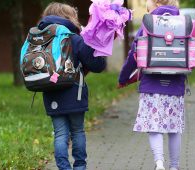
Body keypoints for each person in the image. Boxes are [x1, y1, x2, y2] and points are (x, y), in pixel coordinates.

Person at [118, 0, 185, 170]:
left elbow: (135, 52)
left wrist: (123, 77)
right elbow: (193, 56)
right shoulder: (183, 22)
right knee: (174, 128)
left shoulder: (148, 23)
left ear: (155, 2)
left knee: (154, 126)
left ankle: (159, 163)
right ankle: (174, 167)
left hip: (151, 85)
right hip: (176, 86)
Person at [38, 2, 106, 170]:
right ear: (69, 18)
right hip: (75, 93)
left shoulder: (41, 40)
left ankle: (63, 168)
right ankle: (80, 167)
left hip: (51, 93)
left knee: (60, 133)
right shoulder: (74, 39)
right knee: (77, 131)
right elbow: (97, 65)